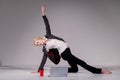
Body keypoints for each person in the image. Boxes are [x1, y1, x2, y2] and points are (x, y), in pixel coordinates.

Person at [34, 4, 112, 74]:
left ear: (39, 38)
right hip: (64, 53)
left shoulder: (48, 35)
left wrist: (43, 14)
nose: (39, 43)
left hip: (67, 49)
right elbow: (44, 59)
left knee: (75, 69)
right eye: (37, 44)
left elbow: (47, 25)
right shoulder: (46, 48)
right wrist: (39, 69)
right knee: (81, 62)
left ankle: (59, 71)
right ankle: (99, 71)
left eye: (38, 41)